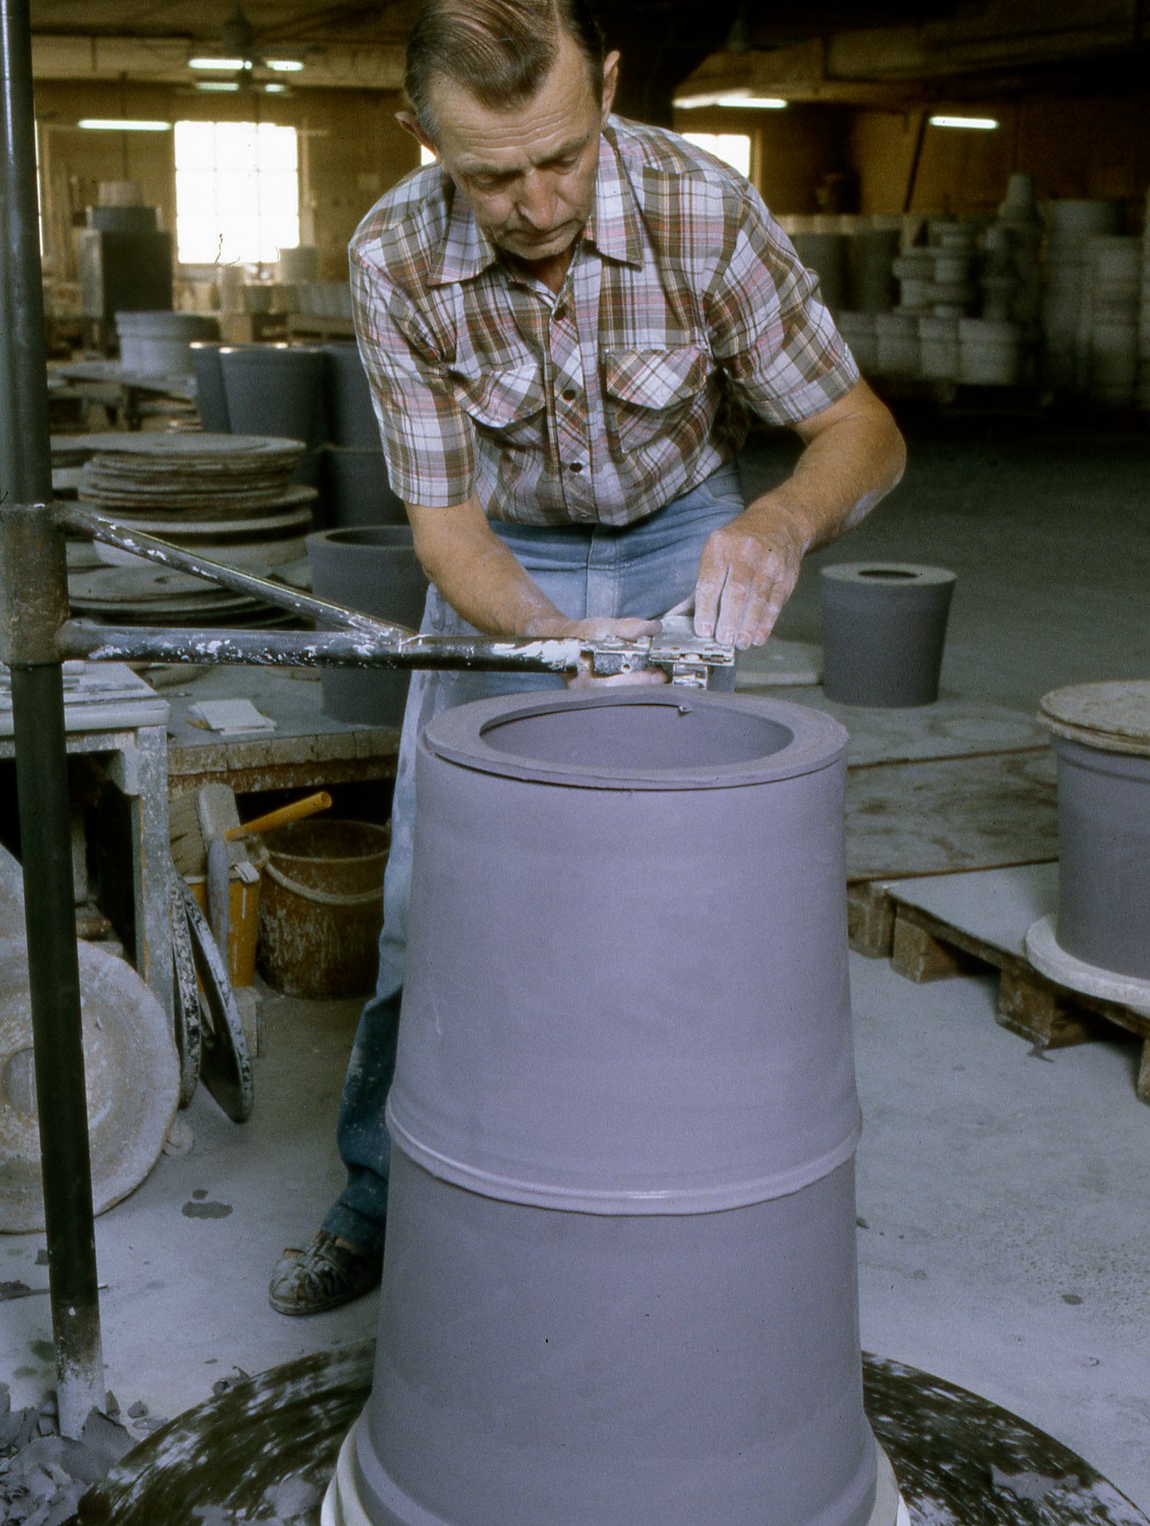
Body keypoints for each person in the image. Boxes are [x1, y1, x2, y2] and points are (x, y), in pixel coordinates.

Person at [270, 0, 906, 1316]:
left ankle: (693, 1183)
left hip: (691, 525)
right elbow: (447, 532)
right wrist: (553, 639)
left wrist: (779, 523)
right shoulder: (395, 252)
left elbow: (859, 428)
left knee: (689, 888)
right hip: (512, 550)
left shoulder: (701, 206)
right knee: (427, 895)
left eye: (561, 156)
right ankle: (379, 1196)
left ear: (608, 84)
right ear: (419, 136)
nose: (535, 200)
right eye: (491, 174)